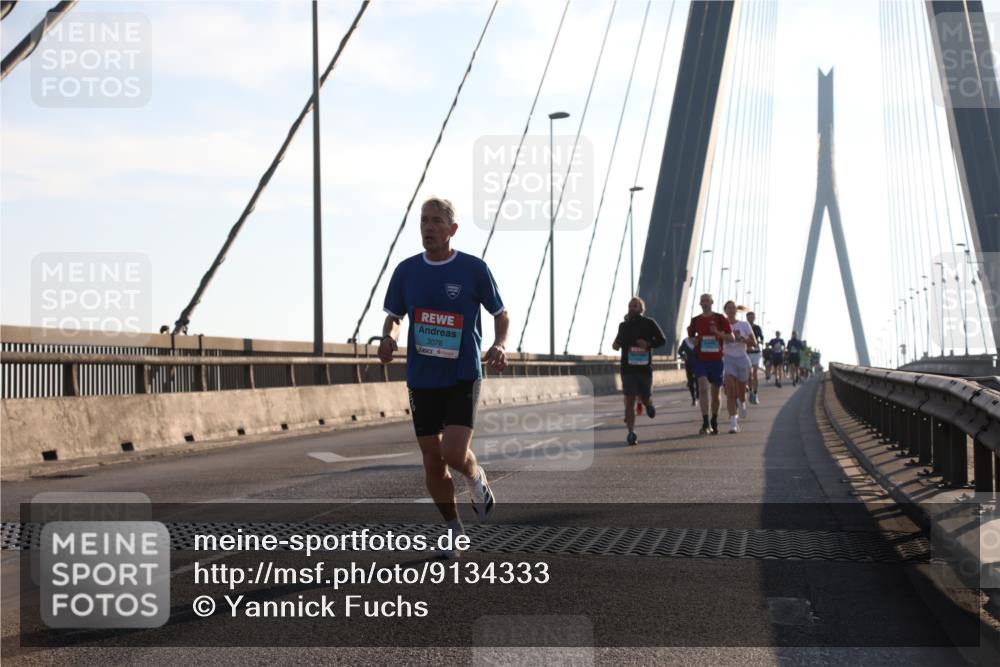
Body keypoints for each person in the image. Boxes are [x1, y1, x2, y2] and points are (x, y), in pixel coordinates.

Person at [380, 197, 509, 555]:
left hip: (463, 372)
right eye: (424, 221)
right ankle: (453, 530)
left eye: (436, 221)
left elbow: (501, 313)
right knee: (432, 459)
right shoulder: (406, 271)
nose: (428, 227)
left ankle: (474, 475)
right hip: (422, 377)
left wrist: (499, 344)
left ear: (452, 229)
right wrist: (389, 338)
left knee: (454, 453)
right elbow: (394, 316)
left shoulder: (473, 269)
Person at [612, 297, 666, 446]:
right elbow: (616, 344)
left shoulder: (650, 323)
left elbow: (662, 340)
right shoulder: (623, 325)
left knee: (644, 397)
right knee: (629, 400)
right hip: (627, 369)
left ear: (641, 309)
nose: (632, 308)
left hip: (644, 369)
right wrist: (616, 344)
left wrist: (648, 344)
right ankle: (631, 433)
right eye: (630, 306)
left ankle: (648, 405)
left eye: (635, 306)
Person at [688, 293, 734, 435]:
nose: (705, 303)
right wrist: (694, 341)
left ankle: (714, 419)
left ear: (712, 302)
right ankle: (705, 421)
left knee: (715, 394)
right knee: (702, 387)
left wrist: (718, 334)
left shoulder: (720, 319)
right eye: (703, 301)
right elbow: (690, 338)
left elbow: (731, 338)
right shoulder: (695, 320)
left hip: (716, 360)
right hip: (701, 359)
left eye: (707, 300)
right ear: (700, 303)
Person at [722, 301, 753, 433]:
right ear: (725, 310)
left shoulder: (744, 325)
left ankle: (742, 402)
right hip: (728, 359)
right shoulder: (721, 325)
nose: (731, 310)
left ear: (736, 310)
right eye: (728, 308)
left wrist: (743, 339)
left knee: (740, 393)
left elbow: (753, 343)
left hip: (742, 359)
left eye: (733, 307)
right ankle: (733, 423)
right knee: (730, 392)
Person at [745, 311, 764, 405]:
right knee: (749, 374)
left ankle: (755, 394)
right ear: (747, 318)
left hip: (756, 352)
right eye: (749, 317)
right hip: (747, 352)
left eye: (753, 317)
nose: (751, 318)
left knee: (755, 372)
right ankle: (751, 390)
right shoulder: (744, 327)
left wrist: (760, 341)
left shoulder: (757, 328)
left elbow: (761, 337)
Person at [678, 335, 699, 406]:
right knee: (690, 382)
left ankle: (697, 396)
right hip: (689, 364)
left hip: (697, 363)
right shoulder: (685, 341)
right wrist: (684, 356)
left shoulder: (698, 339)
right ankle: (694, 398)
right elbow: (679, 351)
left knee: (697, 380)